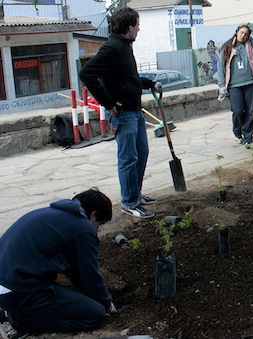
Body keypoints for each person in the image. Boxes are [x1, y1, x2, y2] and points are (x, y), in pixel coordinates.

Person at [0, 188, 116, 336]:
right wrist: (106, 303)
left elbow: (74, 272)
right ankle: (19, 321)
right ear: (93, 214)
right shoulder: (83, 229)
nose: (98, 230)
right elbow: (87, 274)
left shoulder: (52, 214)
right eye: (100, 224)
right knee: (94, 315)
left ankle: (17, 309)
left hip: (9, 281)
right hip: (17, 289)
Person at [79, 7, 158, 219]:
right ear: (129, 27)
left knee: (141, 154)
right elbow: (86, 73)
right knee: (128, 159)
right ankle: (129, 202)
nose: (139, 29)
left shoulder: (124, 46)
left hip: (135, 111)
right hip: (124, 114)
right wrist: (107, 101)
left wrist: (149, 84)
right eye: (138, 25)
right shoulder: (112, 48)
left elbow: (128, 78)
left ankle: (136, 194)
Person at [217, 22, 253, 149]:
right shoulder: (227, 48)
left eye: (246, 34)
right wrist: (221, 85)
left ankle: (248, 137)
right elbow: (220, 68)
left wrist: (249, 24)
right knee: (237, 111)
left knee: (250, 111)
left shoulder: (251, 45)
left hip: (251, 82)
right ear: (236, 32)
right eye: (241, 32)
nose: (243, 36)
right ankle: (238, 132)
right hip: (234, 86)